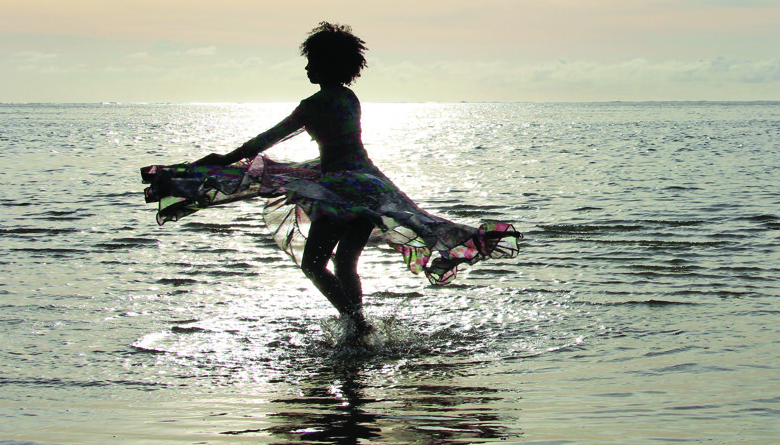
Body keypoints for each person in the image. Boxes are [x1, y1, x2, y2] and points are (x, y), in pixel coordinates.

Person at [141, 23, 520, 337]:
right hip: (370, 184)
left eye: (311, 63)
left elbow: (265, 140)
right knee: (346, 264)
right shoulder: (349, 97)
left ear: (323, 65)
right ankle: (357, 326)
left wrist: (225, 160)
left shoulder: (313, 104)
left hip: (339, 188)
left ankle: (357, 324)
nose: (307, 70)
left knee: (313, 265)